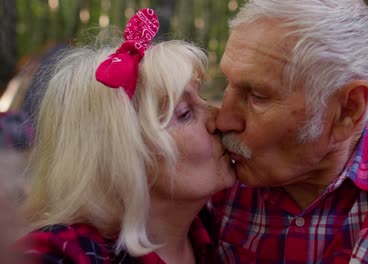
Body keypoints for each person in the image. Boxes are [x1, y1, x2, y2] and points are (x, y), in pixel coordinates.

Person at [208, 0, 368, 263]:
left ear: (348, 110)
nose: (223, 120)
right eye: (228, 85)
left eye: (256, 96)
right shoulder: (212, 181)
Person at [14, 8, 235, 264]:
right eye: (185, 113)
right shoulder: (65, 254)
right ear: (122, 155)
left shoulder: (223, 223)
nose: (218, 117)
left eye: (203, 97)